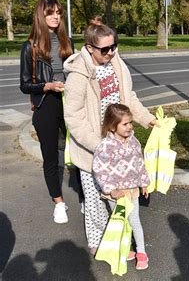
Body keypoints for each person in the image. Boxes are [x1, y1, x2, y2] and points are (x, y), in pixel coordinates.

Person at [63, 23, 158, 255]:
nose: (110, 53)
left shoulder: (117, 64)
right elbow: (74, 117)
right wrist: (100, 146)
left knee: (120, 201)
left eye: (113, 46)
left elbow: (129, 98)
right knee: (96, 202)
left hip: (121, 146)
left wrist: (148, 119)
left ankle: (119, 243)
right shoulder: (78, 75)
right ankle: (100, 245)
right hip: (94, 150)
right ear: (89, 48)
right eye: (104, 49)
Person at [20, 0, 74, 224]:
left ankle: (86, 199)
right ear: (41, 16)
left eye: (58, 13)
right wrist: (47, 85)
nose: (55, 17)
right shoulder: (30, 46)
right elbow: (24, 85)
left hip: (69, 101)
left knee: (79, 151)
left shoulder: (67, 40)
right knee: (50, 156)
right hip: (46, 104)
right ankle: (58, 202)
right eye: (50, 13)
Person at [93, 103, 150, 270]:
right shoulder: (105, 147)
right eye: (125, 124)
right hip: (116, 194)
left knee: (134, 221)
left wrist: (144, 182)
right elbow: (100, 170)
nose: (130, 127)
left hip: (132, 192)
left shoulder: (134, 142)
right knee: (120, 222)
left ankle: (141, 252)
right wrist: (111, 189)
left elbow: (140, 162)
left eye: (130, 122)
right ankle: (124, 249)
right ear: (112, 126)